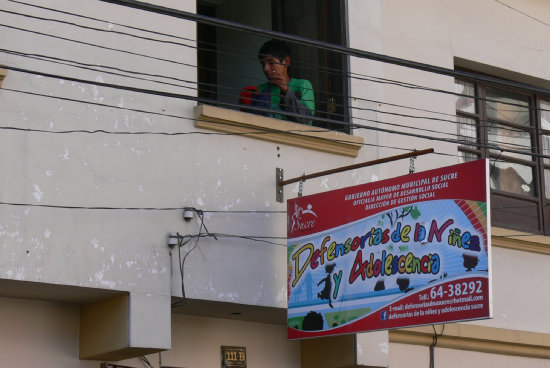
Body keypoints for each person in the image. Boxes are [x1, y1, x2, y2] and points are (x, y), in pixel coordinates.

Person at [239, 40, 315, 125]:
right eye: (263, 64)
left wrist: (286, 90)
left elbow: (307, 120)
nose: (266, 69)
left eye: (271, 62)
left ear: (286, 62)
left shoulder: (302, 85)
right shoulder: (259, 90)